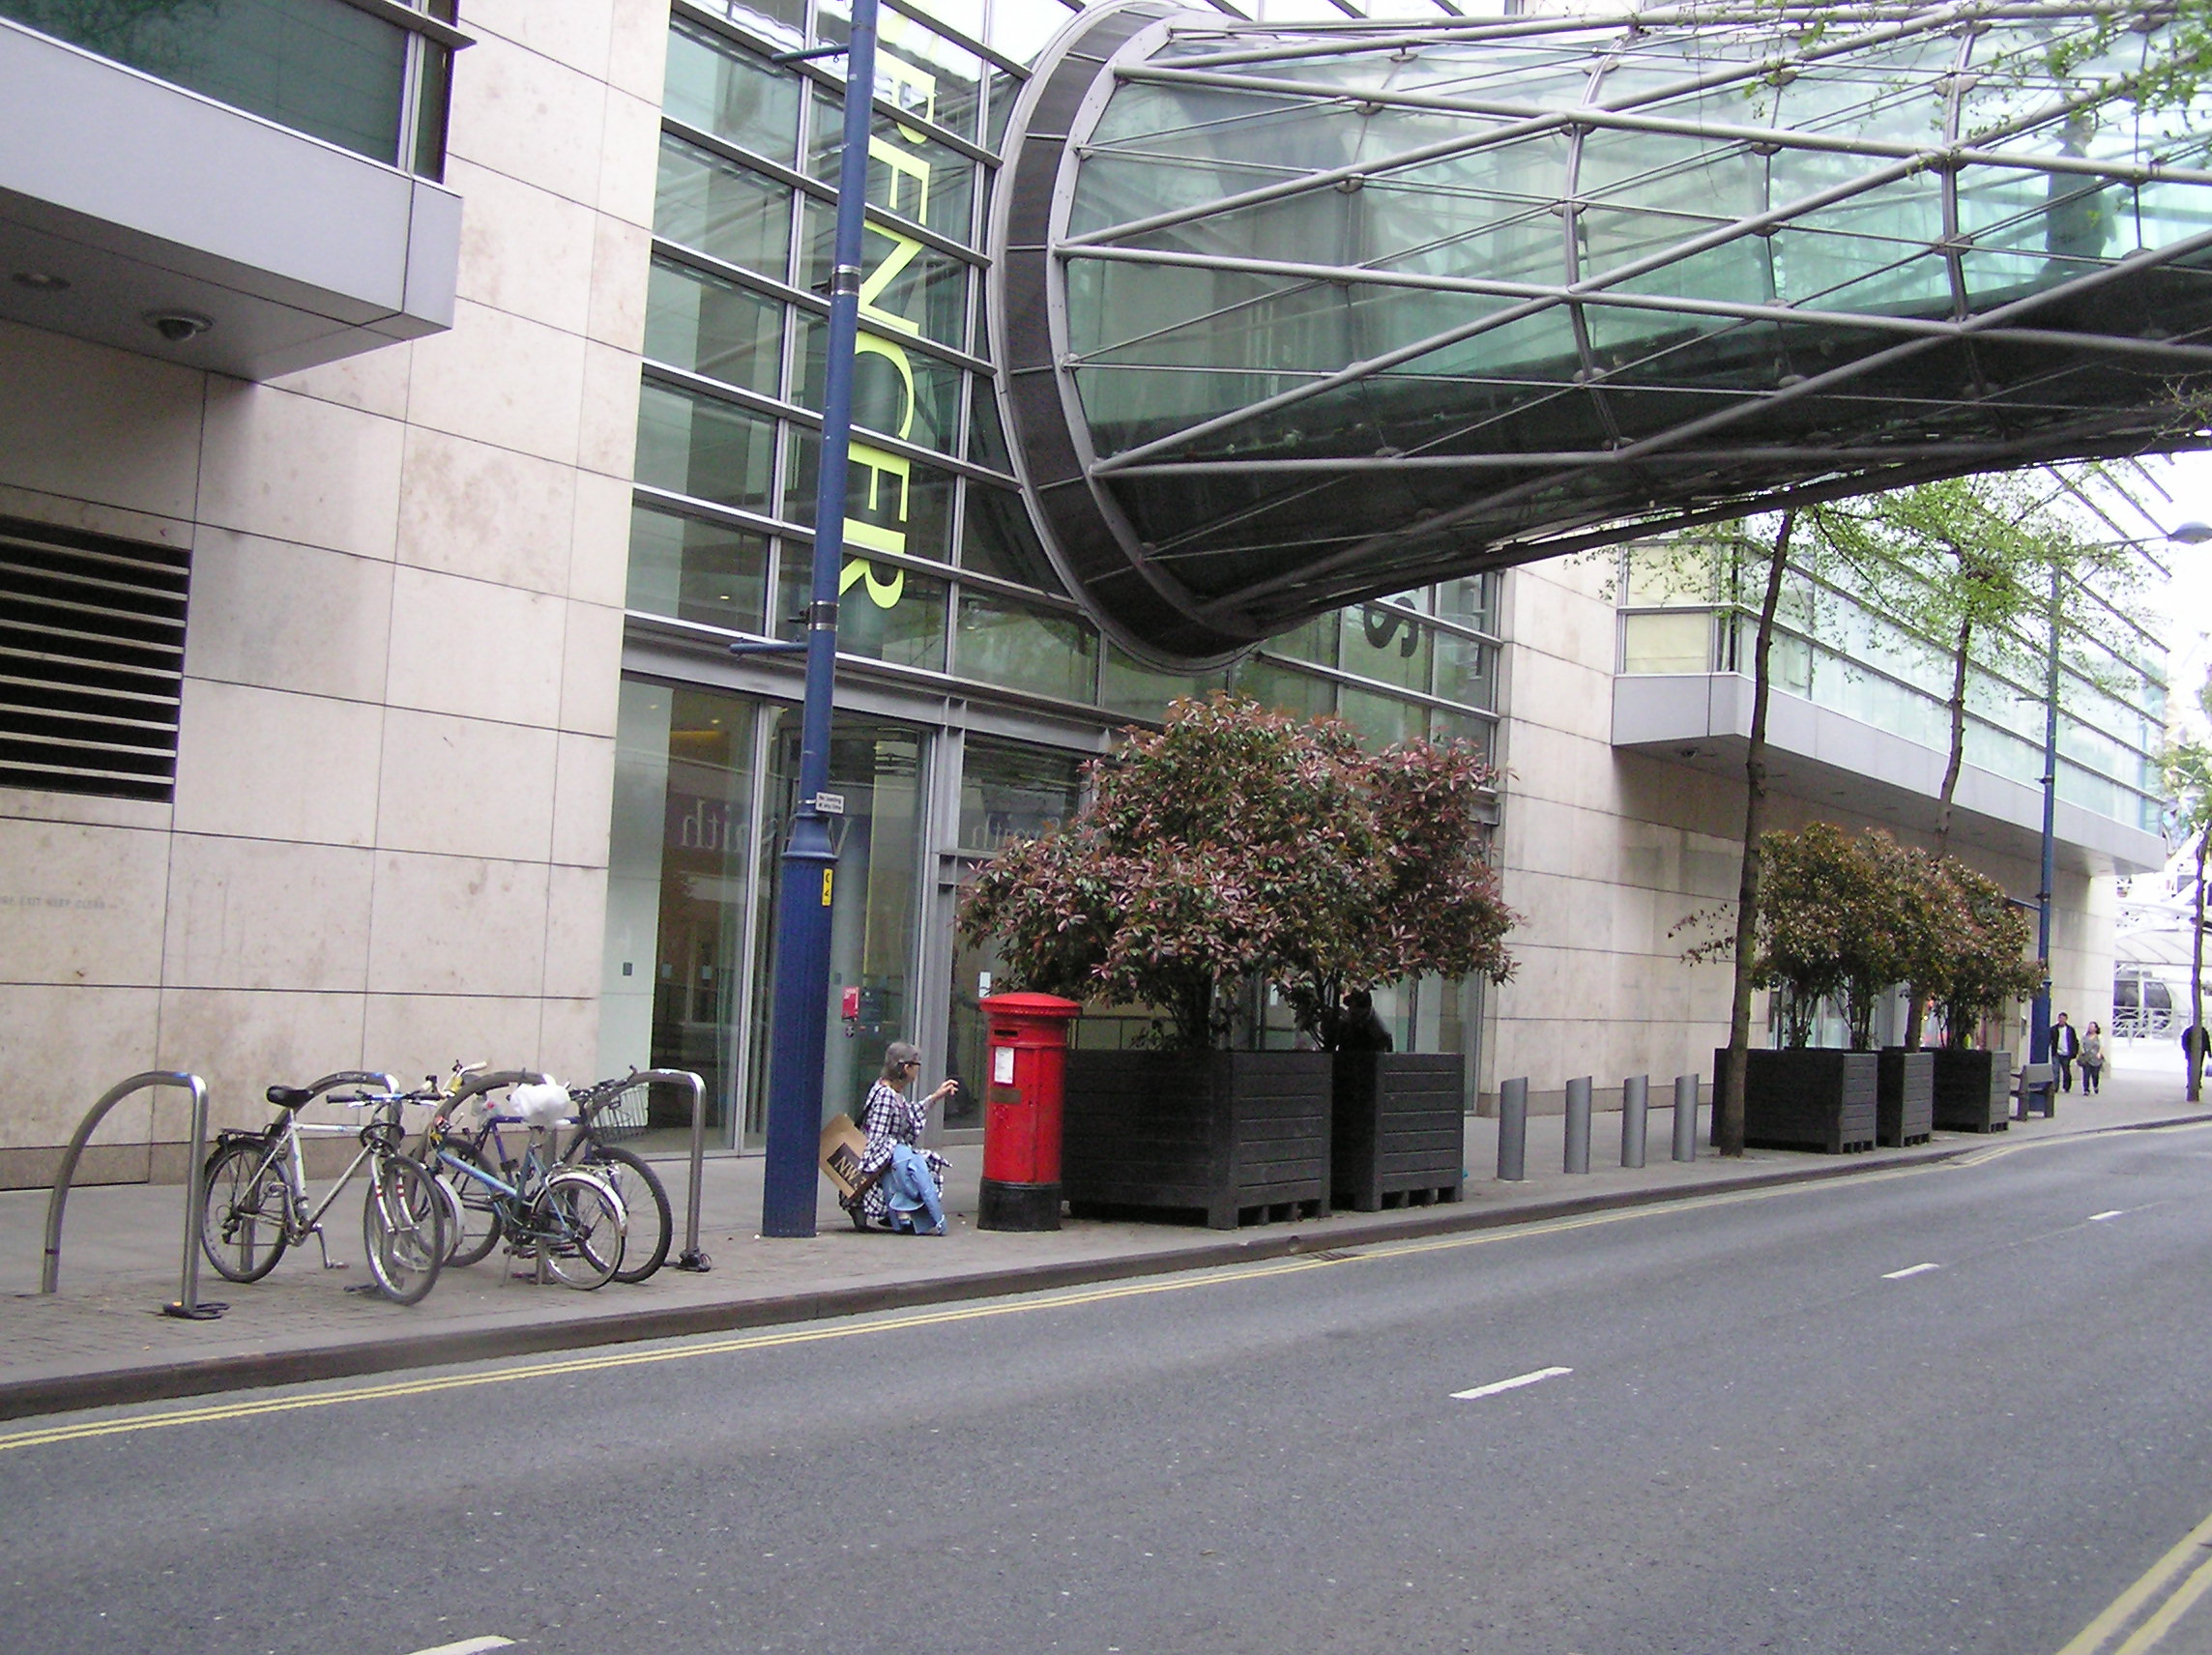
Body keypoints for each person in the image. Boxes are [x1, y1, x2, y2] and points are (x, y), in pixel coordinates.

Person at [850, 1042, 955, 1234]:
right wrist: (901, 1151)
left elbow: (909, 1115)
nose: (918, 1069)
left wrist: (935, 1097)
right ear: (906, 1067)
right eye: (917, 1064)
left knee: (918, 1162)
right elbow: (876, 1142)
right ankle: (888, 1209)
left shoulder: (891, 1091)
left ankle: (898, 1212)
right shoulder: (886, 1097)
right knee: (916, 1166)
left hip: (887, 1158)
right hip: (880, 1165)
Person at [1335, 988, 1394, 1053]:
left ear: (1366, 1009)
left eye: (1355, 1007)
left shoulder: (1377, 1031)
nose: (1351, 1010)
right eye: (1350, 1007)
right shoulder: (1349, 1022)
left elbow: (1383, 1054)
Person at [2051, 1012, 2080, 1092]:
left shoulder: (2070, 1029)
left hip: (2066, 1053)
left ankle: (2066, 1087)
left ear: (2066, 1020)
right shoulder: (2053, 1029)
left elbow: (2074, 1041)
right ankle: (2055, 1087)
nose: (2061, 1020)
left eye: (2063, 1019)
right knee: (2055, 1071)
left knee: (2066, 1071)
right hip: (2056, 1053)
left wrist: (2074, 1052)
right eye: (2060, 1018)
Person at [2080, 1022, 2104, 1095]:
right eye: (2089, 1026)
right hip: (2087, 1058)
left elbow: (2101, 1046)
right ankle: (2086, 1089)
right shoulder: (2084, 1036)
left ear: (2096, 1028)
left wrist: (2099, 1053)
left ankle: (2095, 1086)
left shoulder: (2099, 1037)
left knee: (2095, 1075)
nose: (2090, 1028)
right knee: (2086, 1075)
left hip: (2096, 1058)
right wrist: (2082, 1051)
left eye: (2092, 1027)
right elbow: (2081, 1045)